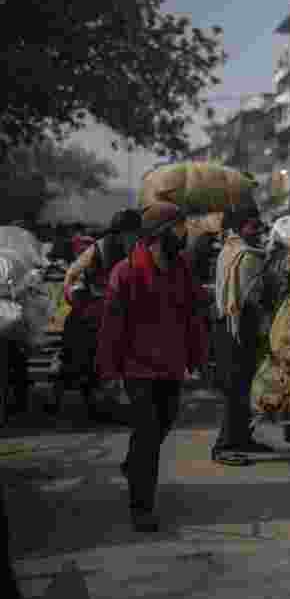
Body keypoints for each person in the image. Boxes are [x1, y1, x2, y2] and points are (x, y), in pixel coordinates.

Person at [95, 202, 208, 532]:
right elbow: (111, 329)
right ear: (160, 233)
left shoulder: (181, 269)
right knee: (147, 436)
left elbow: (192, 318)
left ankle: (134, 465)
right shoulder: (126, 272)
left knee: (163, 424)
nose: (185, 234)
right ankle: (141, 507)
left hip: (170, 368)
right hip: (137, 370)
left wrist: (197, 360)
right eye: (179, 227)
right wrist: (110, 374)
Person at [50, 210, 142, 421]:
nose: (136, 237)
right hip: (88, 313)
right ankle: (69, 400)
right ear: (122, 232)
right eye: (133, 233)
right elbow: (73, 280)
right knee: (79, 359)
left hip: (110, 312)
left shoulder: (131, 249)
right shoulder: (98, 250)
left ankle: (103, 402)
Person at [210, 203, 273, 466]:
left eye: (257, 223)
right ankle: (223, 446)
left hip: (230, 324)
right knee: (235, 387)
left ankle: (241, 438)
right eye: (251, 224)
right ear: (239, 226)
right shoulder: (246, 256)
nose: (257, 229)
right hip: (237, 325)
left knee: (243, 385)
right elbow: (252, 297)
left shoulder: (231, 249)